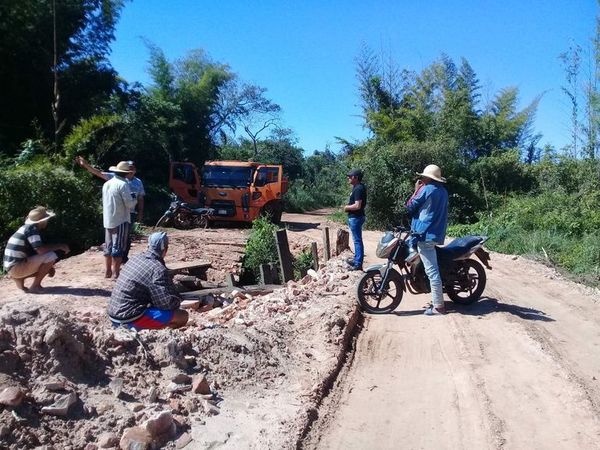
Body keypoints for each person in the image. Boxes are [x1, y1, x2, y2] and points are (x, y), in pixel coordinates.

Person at [107, 232, 188, 330]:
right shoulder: (157, 269)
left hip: (113, 315)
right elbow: (165, 305)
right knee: (182, 316)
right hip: (128, 319)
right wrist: (178, 301)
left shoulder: (135, 258)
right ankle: (155, 332)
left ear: (148, 246)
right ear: (165, 250)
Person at [76, 157, 145, 260]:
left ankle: (122, 258)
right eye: (129, 168)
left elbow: (140, 198)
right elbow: (99, 173)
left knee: (126, 236)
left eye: (132, 168)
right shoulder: (115, 177)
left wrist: (140, 213)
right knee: (114, 236)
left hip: (130, 212)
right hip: (116, 213)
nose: (131, 170)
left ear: (135, 170)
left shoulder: (138, 182)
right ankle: (116, 258)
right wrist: (86, 165)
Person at [406, 164, 449, 316]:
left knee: (432, 271)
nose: (422, 179)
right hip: (436, 233)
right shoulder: (443, 191)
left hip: (424, 234)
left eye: (424, 177)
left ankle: (439, 307)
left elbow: (410, 207)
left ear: (429, 178)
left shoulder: (426, 189)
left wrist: (416, 190)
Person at [3, 206, 70, 293]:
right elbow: (40, 250)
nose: (47, 221)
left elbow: (33, 252)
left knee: (46, 262)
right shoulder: (32, 229)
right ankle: (35, 286)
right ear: (42, 221)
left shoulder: (25, 228)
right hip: (17, 267)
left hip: (11, 267)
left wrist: (49, 267)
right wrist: (60, 246)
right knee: (51, 256)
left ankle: (19, 278)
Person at [102, 161, 137, 279]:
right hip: (120, 220)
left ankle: (107, 271)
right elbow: (129, 204)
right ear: (126, 173)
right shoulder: (123, 184)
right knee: (118, 247)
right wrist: (134, 199)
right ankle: (116, 273)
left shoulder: (107, 184)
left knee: (108, 246)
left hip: (108, 220)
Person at [344, 169, 367, 271]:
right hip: (356, 217)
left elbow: (357, 205)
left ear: (356, 178)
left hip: (356, 217)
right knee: (356, 240)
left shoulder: (358, 189)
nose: (348, 178)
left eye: (350, 176)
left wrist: (346, 207)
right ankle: (356, 260)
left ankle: (358, 264)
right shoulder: (358, 187)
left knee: (357, 241)